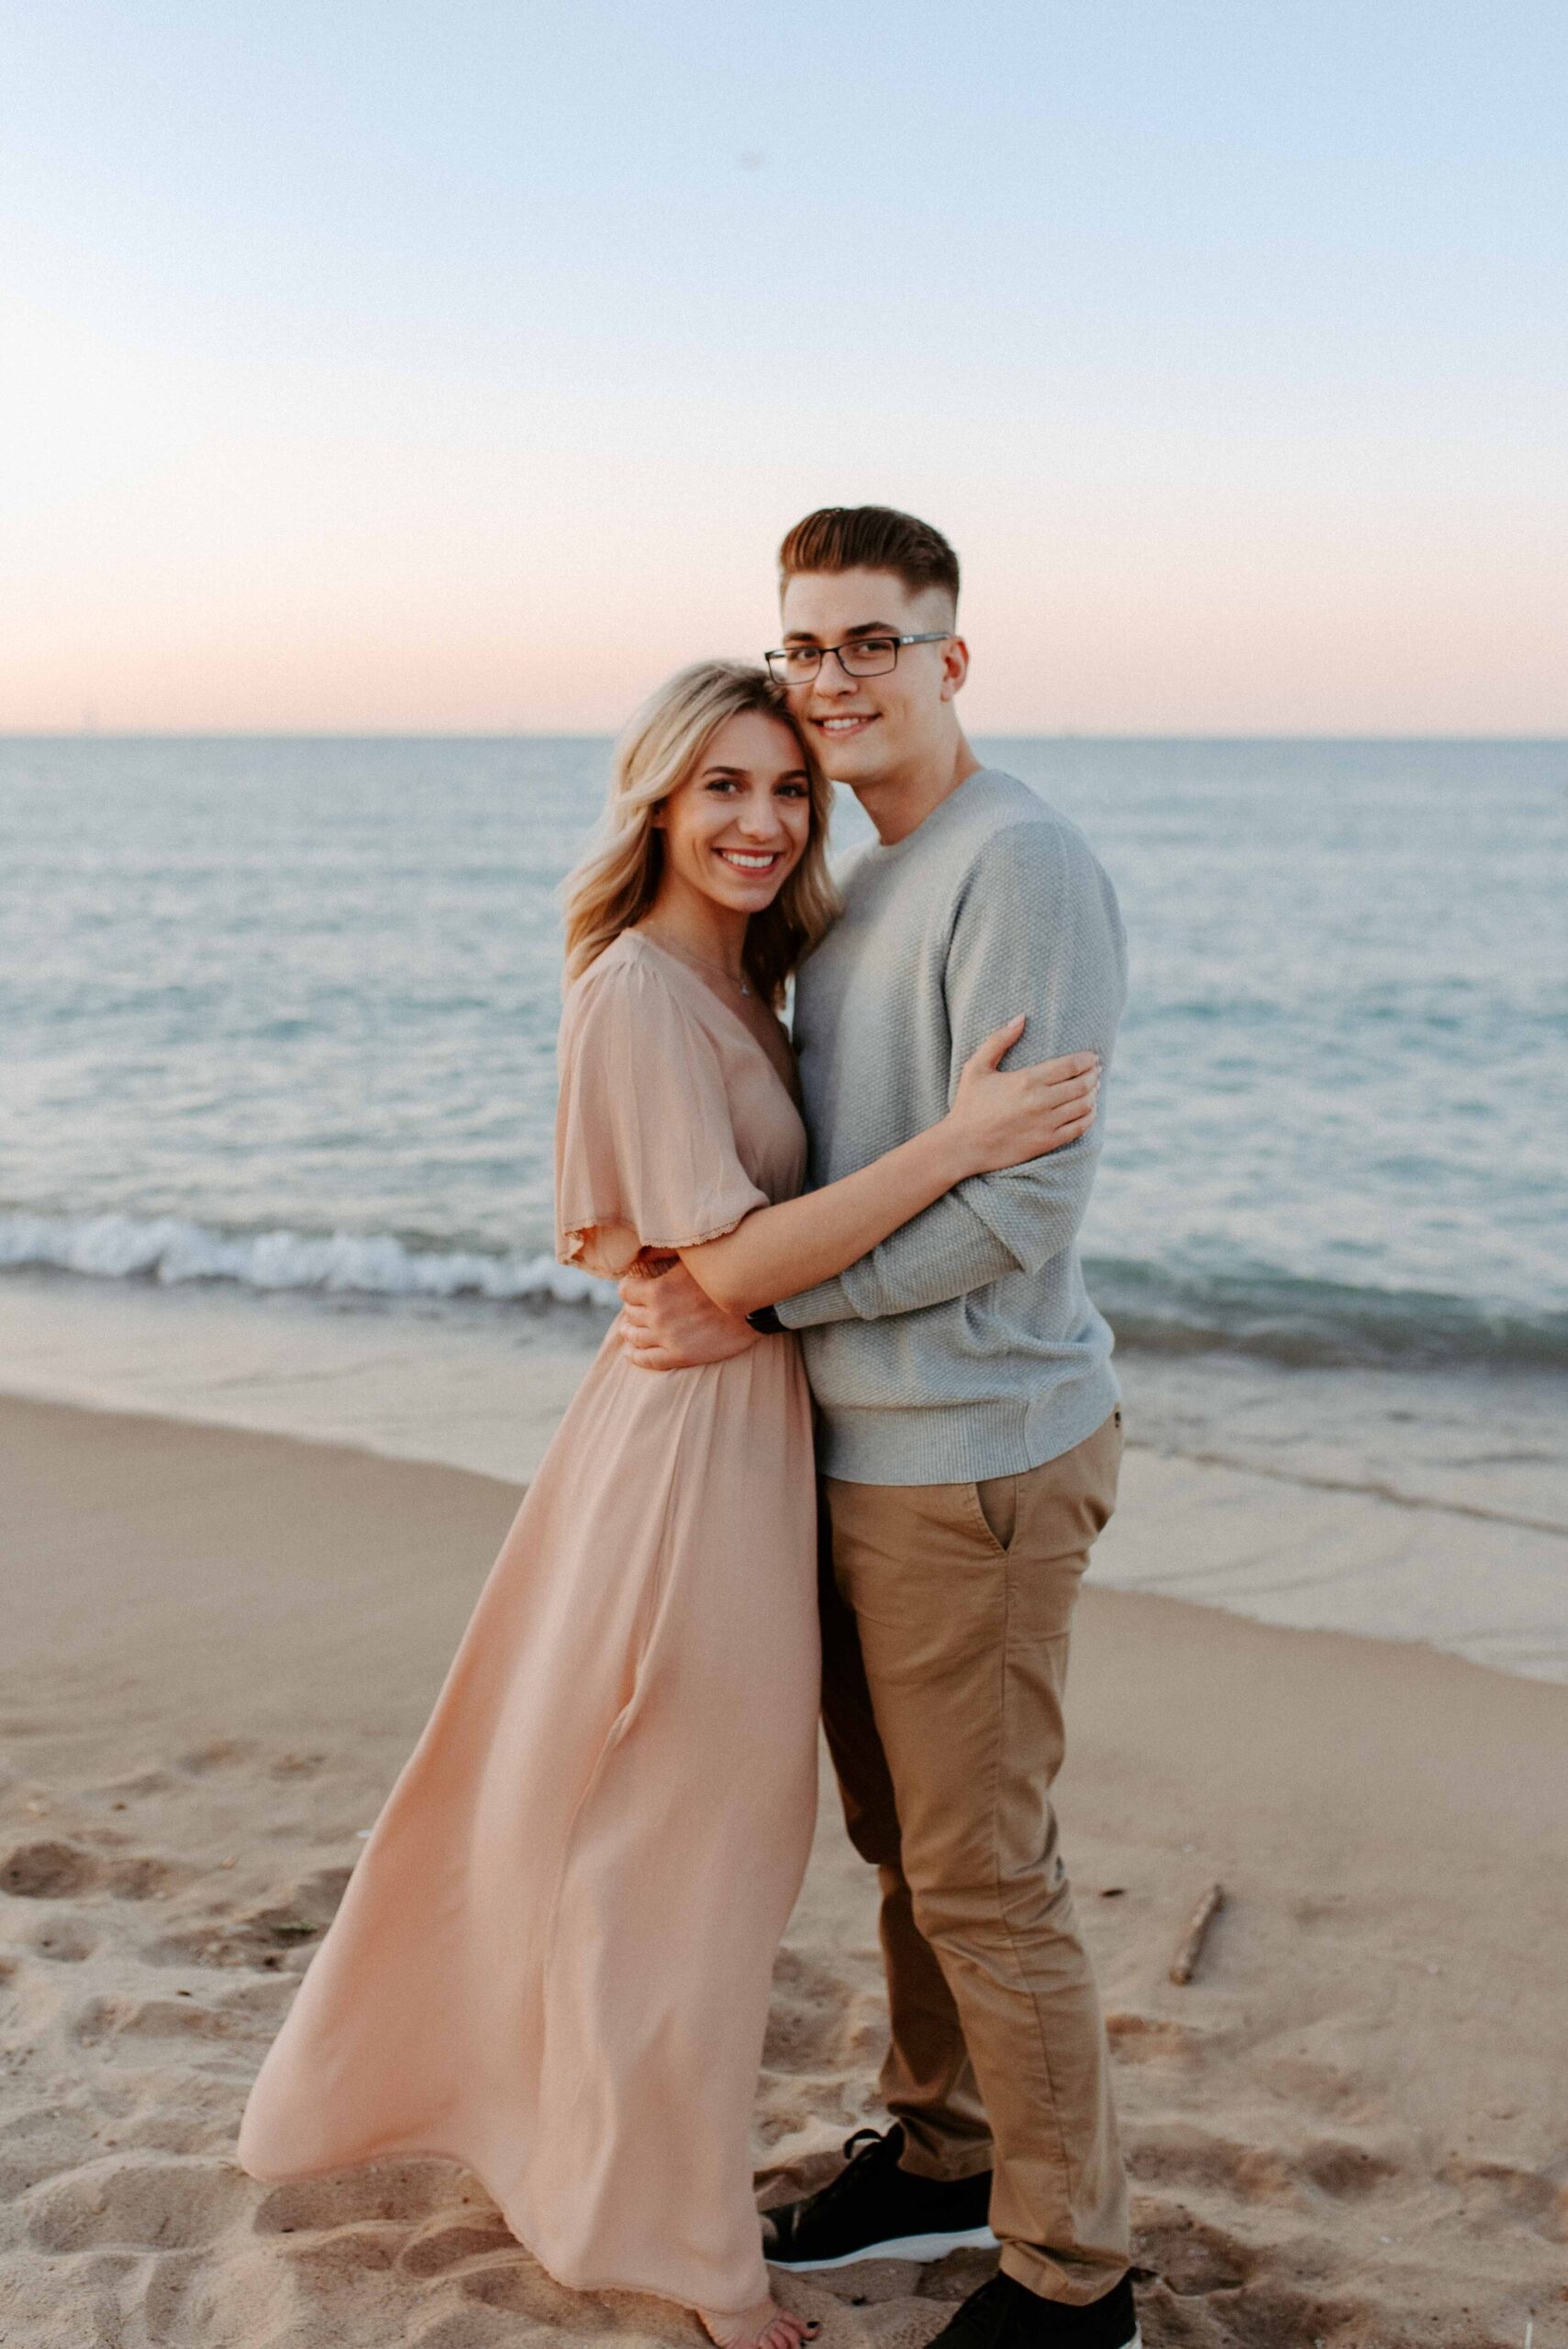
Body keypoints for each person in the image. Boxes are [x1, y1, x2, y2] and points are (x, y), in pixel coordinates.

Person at [234, 658, 1101, 2349]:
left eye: (788, 790)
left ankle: (605, 2162)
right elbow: (721, 1263)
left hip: (744, 1436)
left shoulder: (747, 978)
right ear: (653, 798)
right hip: (690, 1462)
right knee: (682, 1855)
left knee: (674, 1844)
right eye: (722, 788)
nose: (765, 823)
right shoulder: (636, 990)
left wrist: (768, 1262)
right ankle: (684, 2249)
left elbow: (733, 1269)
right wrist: (954, 1145)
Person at [617, 510, 1140, 2349]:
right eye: (806, 646)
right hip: (859, 1450)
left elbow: (1020, 1210)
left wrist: (757, 1298)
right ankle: (939, 2149)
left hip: (976, 1452)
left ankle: (1076, 2282)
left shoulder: (1023, 866)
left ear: (951, 660)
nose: (831, 678)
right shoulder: (867, 879)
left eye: (869, 644)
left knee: (988, 1873)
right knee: (907, 1846)